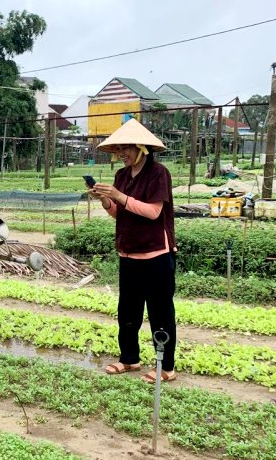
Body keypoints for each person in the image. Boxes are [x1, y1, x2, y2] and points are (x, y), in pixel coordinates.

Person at [89, 119, 177, 383]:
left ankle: (166, 367)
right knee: (128, 311)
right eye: (119, 150)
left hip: (155, 255)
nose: (122, 154)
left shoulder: (158, 173)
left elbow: (153, 212)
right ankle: (129, 359)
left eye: (126, 148)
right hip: (128, 253)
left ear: (141, 148)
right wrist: (106, 200)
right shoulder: (121, 176)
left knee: (161, 312)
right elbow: (120, 214)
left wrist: (119, 196)